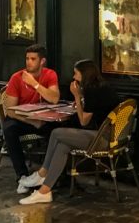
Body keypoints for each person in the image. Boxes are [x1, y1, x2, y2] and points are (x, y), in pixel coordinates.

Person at [17, 60, 121, 205]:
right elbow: (97, 109)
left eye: (76, 73)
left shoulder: (92, 90)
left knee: (56, 133)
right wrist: (81, 101)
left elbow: (83, 121)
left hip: (103, 139)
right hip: (110, 135)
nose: (74, 77)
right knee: (62, 146)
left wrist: (77, 97)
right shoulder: (102, 86)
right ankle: (44, 191)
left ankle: (42, 173)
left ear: (84, 75)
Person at [3, 44, 60, 190]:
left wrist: (34, 84)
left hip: (43, 119)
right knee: (9, 130)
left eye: (33, 59)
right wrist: (32, 121)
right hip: (22, 119)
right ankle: (22, 176)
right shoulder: (16, 78)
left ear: (42, 61)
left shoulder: (50, 74)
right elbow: (9, 110)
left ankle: (51, 176)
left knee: (57, 132)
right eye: (27, 58)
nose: (28, 62)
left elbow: (54, 99)